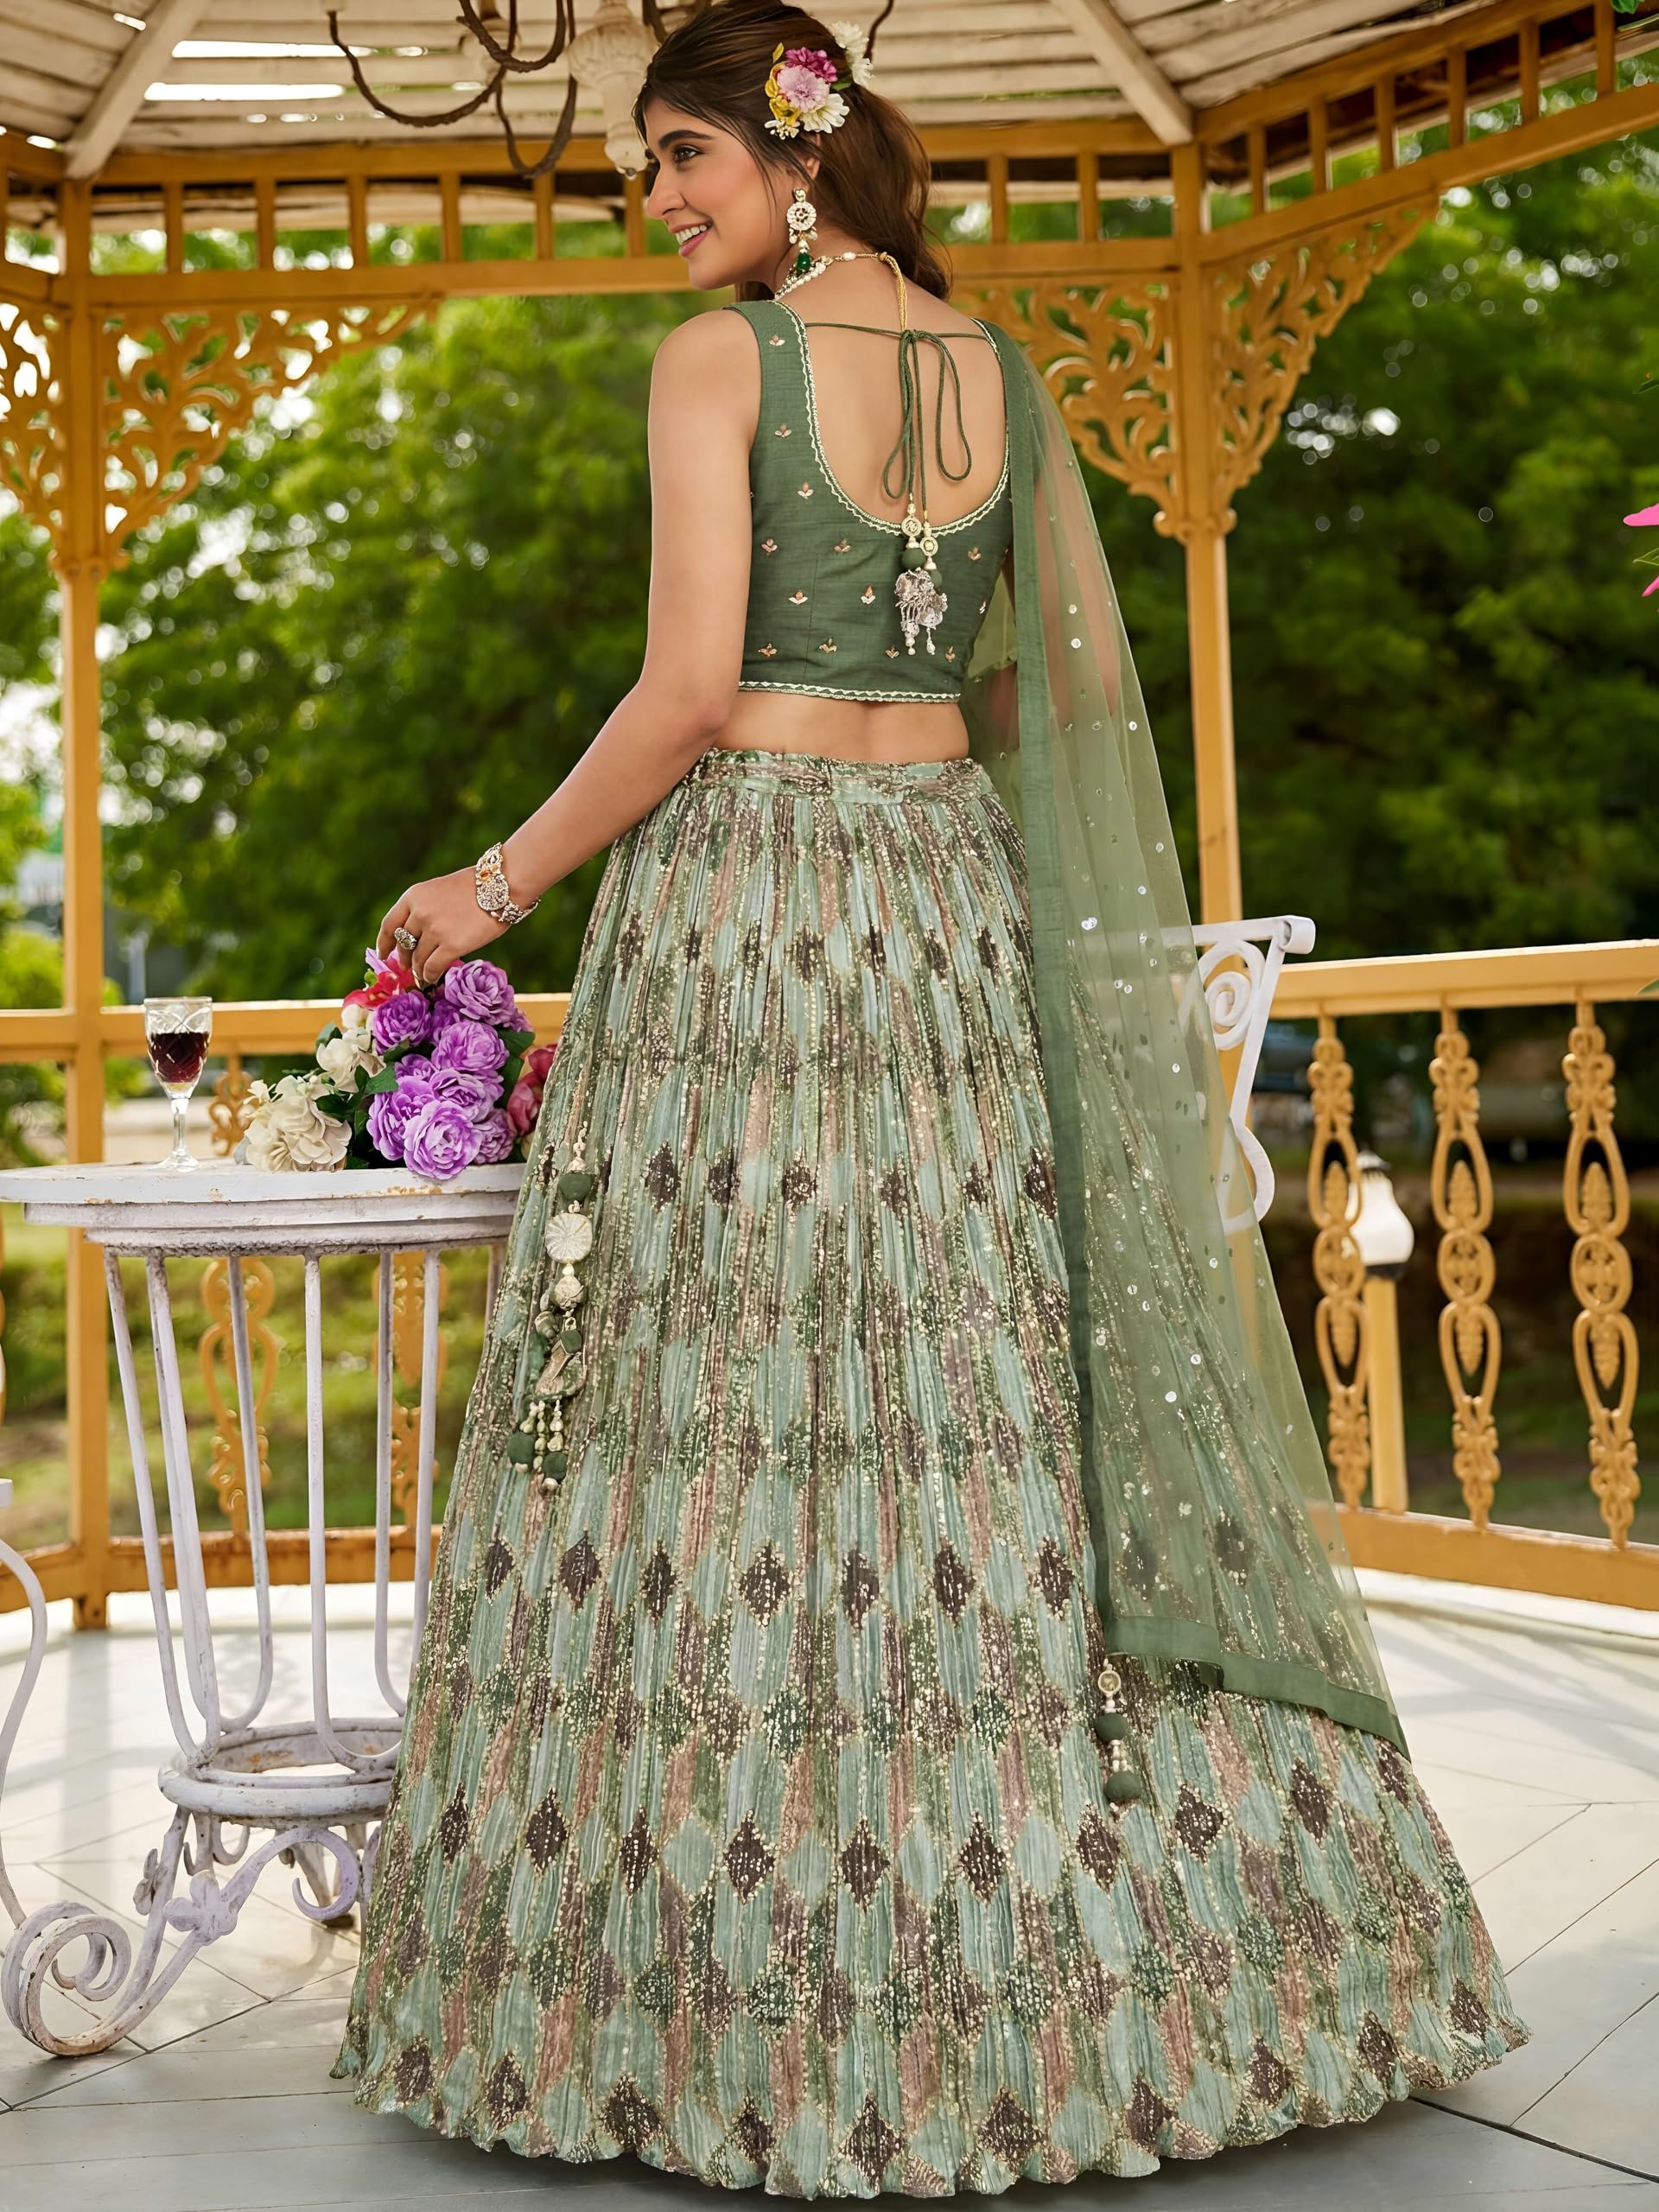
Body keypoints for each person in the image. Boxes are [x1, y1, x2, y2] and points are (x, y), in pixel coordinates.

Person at [331, 0, 1528, 2188]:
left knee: (718, 1391)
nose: (656, 201)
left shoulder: (719, 364)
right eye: (648, 167)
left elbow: (690, 693)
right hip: (950, 908)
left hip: (754, 915)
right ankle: (1109, 1945)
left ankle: (703, 1965)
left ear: (795, 152)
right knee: (977, 1378)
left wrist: (488, 884)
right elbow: (1025, 699)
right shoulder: (995, 371)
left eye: (681, 156)